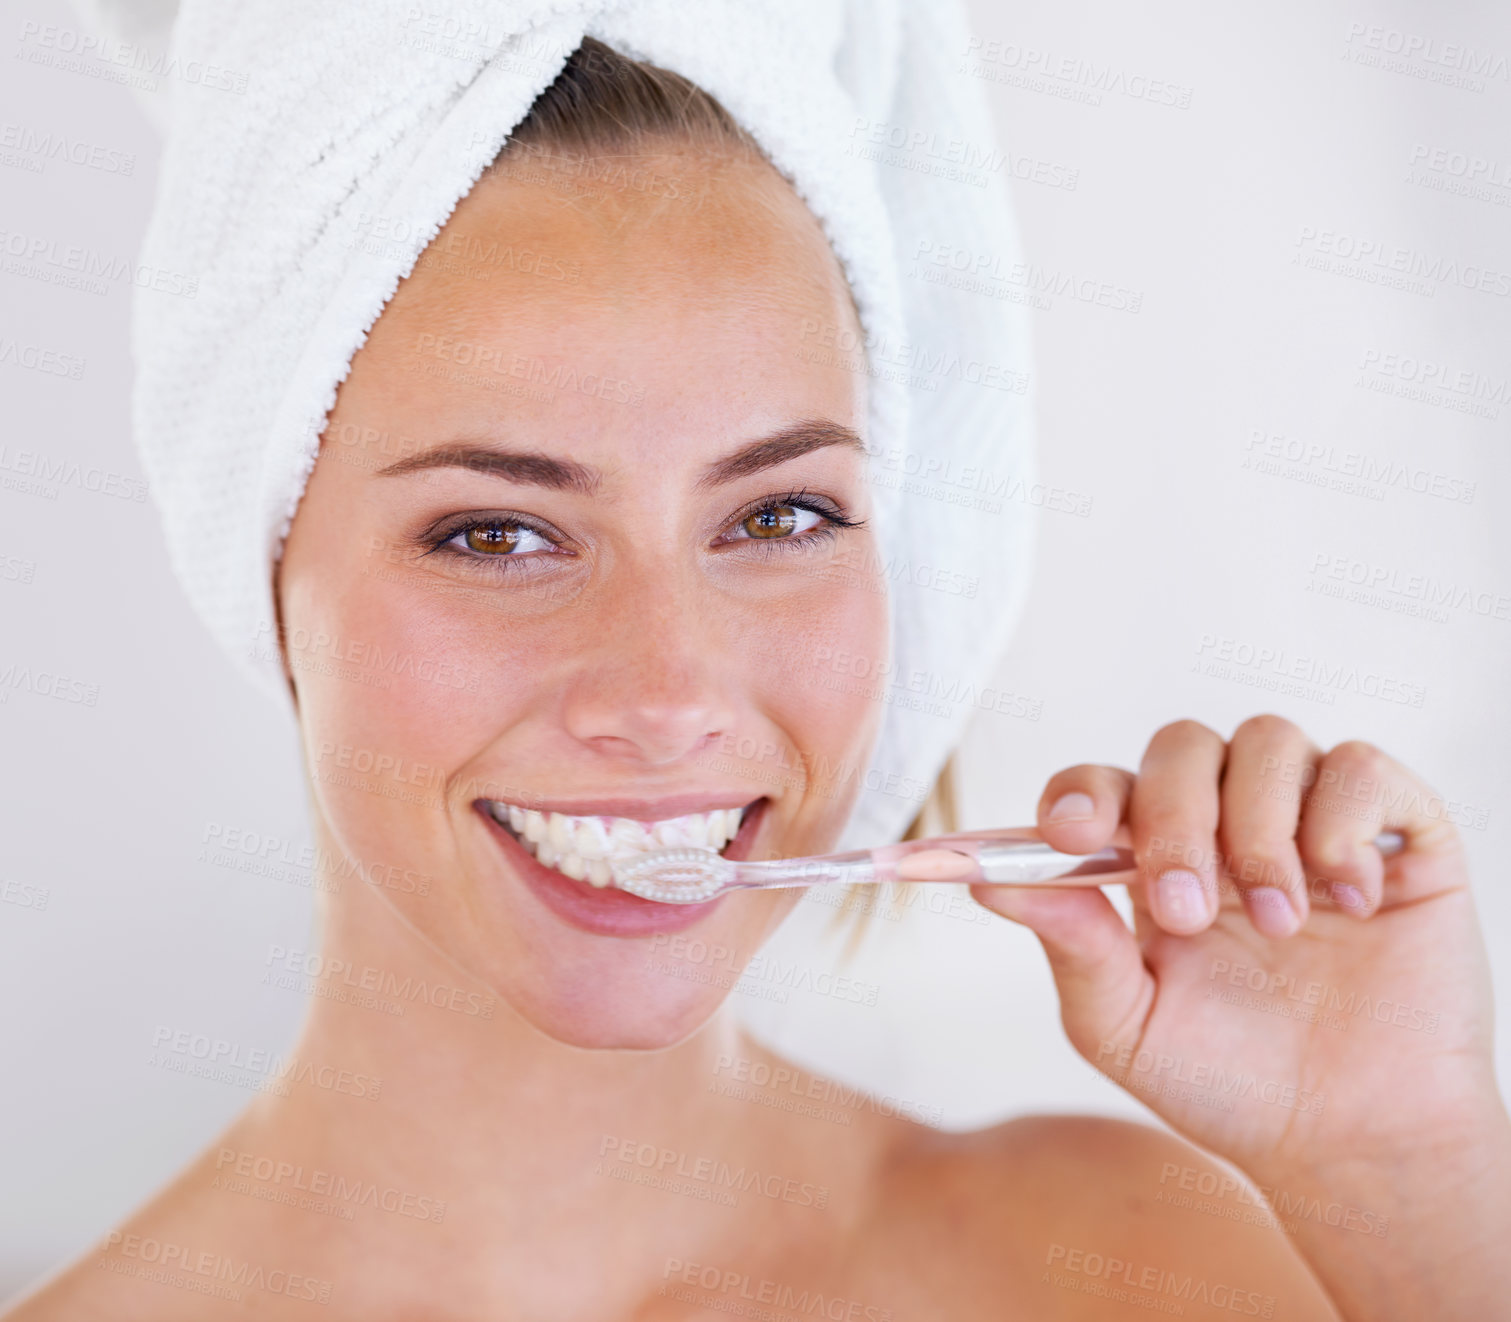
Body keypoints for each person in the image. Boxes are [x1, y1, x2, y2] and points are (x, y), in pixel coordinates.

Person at [6, 36, 1508, 1322]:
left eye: (779, 517)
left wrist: (1404, 1168)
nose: (669, 689)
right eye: (496, 531)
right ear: (268, 566)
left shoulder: (1134, 1269)